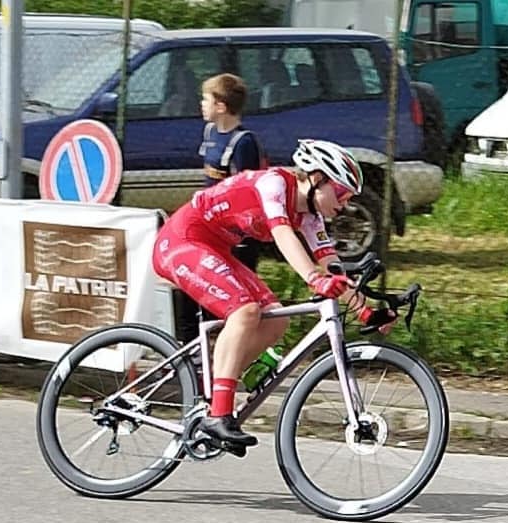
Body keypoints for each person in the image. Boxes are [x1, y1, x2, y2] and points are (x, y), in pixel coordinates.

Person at [152, 139, 396, 453]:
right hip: (181, 241)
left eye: (349, 197)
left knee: (275, 320)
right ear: (316, 178)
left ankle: (212, 385)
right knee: (245, 312)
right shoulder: (274, 184)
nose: (344, 203)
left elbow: (332, 267)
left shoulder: (310, 217)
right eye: (340, 192)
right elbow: (282, 234)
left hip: (214, 249)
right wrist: (313, 279)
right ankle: (219, 413)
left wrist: (366, 312)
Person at [175, 73, 264, 344]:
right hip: (208, 225)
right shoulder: (210, 132)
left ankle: (232, 347)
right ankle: (190, 346)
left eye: (206, 100)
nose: (201, 105)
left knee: (233, 296)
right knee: (192, 285)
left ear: (221, 106)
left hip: (233, 234)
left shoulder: (243, 142)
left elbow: (245, 191)